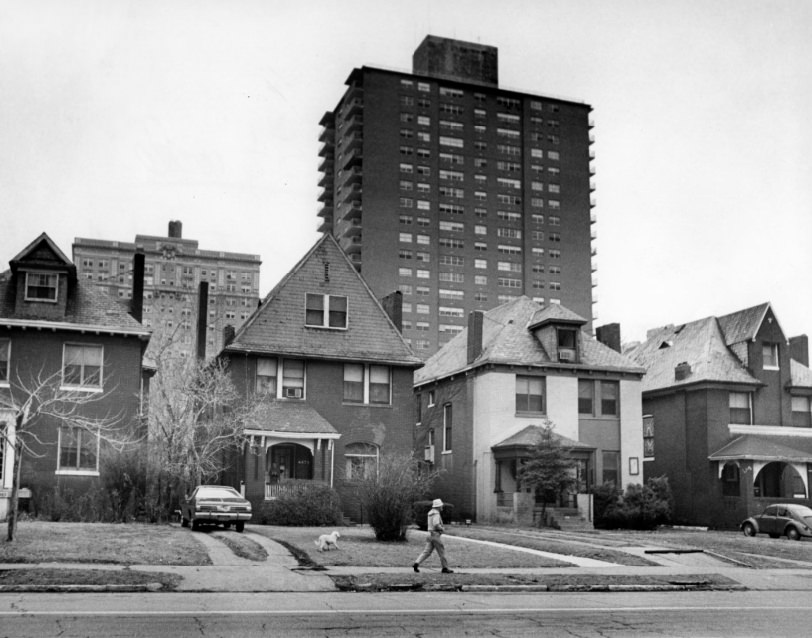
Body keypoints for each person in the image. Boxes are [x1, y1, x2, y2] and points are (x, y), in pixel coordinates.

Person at [413, 498, 454, 573]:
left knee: (427, 551)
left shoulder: (430, 512)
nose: (442, 507)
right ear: (438, 506)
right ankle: (445, 568)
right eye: (441, 506)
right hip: (435, 534)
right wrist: (442, 528)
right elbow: (436, 524)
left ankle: (416, 563)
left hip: (430, 534)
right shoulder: (436, 513)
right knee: (441, 552)